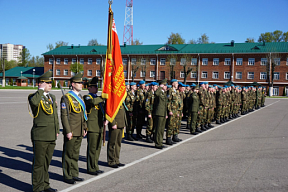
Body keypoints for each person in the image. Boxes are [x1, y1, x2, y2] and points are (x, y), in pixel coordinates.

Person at [28, 71, 59, 192]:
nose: (50, 84)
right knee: (39, 163)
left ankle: (45, 185)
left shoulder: (52, 97)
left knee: (46, 162)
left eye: (50, 82)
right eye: (47, 83)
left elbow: (55, 115)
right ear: (41, 84)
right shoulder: (34, 96)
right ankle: (37, 187)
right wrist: (40, 90)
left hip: (51, 134)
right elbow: (34, 103)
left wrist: (57, 129)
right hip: (40, 135)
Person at [61, 73, 88, 184]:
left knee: (75, 154)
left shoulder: (80, 97)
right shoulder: (66, 97)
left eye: (81, 83)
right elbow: (64, 116)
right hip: (71, 130)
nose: (81, 85)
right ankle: (67, 176)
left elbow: (83, 114)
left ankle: (74, 173)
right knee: (68, 154)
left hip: (79, 130)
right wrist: (67, 131)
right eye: (79, 83)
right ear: (73, 84)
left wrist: (85, 127)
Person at [84, 77, 105, 175]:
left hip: (99, 126)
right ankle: (90, 168)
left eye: (97, 86)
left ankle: (95, 166)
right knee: (92, 149)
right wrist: (103, 97)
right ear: (89, 88)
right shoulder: (88, 97)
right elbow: (91, 103)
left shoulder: (98, 98)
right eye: (94, 86)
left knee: (97, 148)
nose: (96, 88)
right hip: (92, 127)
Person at [107, 103, 127, 168]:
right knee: (112, 143)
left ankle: (116, 160)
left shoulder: (120, 100)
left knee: (118, 143)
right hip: (115, 125)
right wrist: (112, 123)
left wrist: (124, 123)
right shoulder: (114, 100)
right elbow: (110, 112)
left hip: (120, 124)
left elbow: (123, 113)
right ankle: (111, 161)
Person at [153, 79, 168, 149]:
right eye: (165, 85)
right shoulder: (159, 92)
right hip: (159, 113)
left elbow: (165, 105)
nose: (166, 86)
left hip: (163, 113)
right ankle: (157, 143)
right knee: (158, 129)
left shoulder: (164, 93)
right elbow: (156, 94)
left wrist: (166, 113)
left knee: (162, 129)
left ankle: (160, 142)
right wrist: (160, 87)